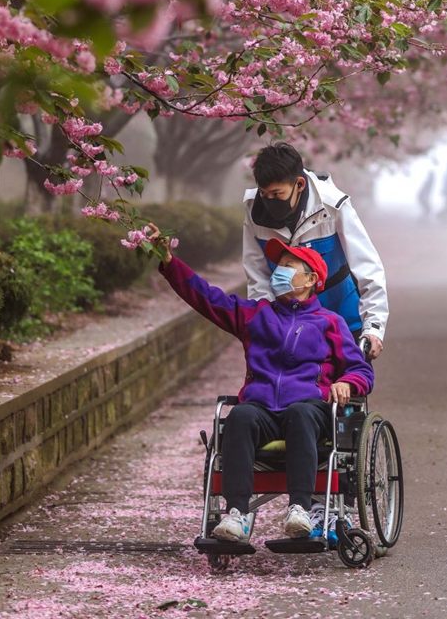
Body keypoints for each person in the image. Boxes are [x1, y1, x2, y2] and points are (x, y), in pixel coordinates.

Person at [146, 224, 374, 544]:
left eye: (288, 267)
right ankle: (237, 514)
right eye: (278, 266)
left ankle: (300, 509)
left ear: (311, 280)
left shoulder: (330, 323)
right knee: (239, 416)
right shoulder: (256, 315)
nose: (279, 272)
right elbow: (206, 298)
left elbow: (361, 370)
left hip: (309, 408)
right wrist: (169, 263)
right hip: (262, 407)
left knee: (301, 413)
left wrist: (348, 383)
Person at [242, 142, 388, 360]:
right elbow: (257, 275)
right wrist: (267, 323)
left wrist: (373, 328)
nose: (269, 201)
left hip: (343, 317)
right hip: (288, 324)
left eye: (276, 194)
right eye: (264, 194)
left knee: (347, 386)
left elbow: (367, 267)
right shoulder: (254, 210)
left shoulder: (332, 205)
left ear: (299, 184)